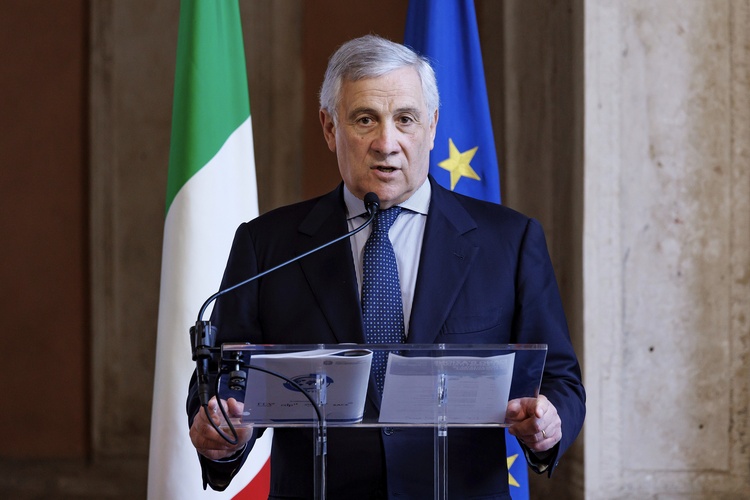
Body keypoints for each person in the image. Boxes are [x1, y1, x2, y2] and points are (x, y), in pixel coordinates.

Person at [188, 34, 585, 499]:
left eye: (405, 119)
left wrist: (548, 422)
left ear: (432, 126)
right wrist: (223, 434)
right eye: (365, 119)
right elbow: (222, 380)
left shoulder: (509, 241)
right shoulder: (267, 246)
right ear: (329, 128)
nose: (386, 143)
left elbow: (560, 379)